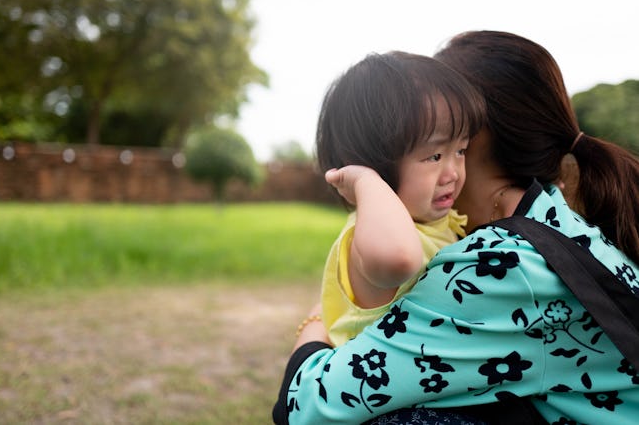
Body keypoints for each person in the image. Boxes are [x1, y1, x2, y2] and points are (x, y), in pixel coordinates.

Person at [273, 30, 639, 425]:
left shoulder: (502, 265)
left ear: (471, 135)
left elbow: (307, 406)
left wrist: (316, 319)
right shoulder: (549, 219)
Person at [312, 51, 484, 347]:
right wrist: (366, 181)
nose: (453, 173)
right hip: (376, 386)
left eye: (461, 151)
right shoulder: (368, 239)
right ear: (373, 164)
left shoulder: (441, 222)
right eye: (435, 156)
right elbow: (399, 260)